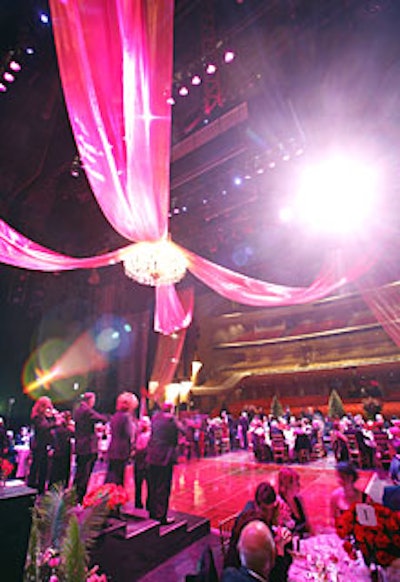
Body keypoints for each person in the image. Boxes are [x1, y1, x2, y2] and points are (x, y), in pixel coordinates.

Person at [224, 482, 292, 582]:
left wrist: (278, 522)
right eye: (264, 510)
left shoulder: (254, 511)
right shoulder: (254, 523)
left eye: (271, 510)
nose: (268, 514)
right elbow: (276, 576)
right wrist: (280, 547)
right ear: (257, 504)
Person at [146, 401, 180, 525]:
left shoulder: (155, 418)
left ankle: (152, 513)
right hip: (165, 456)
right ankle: (161, 516)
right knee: (163, 487)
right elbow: (175, 438)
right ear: (171, 409)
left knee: (153, 486)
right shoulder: (171, 420)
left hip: (152, 455)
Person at [73, 391, 107, 503]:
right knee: (84, 475)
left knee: (79, 473)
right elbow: (101, 418)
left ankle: (73, 497)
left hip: (80, 445)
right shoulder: (86, 410)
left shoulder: (78, 410)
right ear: (90, 400)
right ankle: (79, 499)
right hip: (87, 447)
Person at [105, 391, 138, 486]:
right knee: (118, 477)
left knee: (111, 475)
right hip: (122, 450)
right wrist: (132, 448)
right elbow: (129, 434)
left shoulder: (115, 416)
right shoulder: (126, 417)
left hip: (113, 448)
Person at [27, 396, 58, 494]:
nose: (49, 409)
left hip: (44, 446)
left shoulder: (45, 417)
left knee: (44, 469)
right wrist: (55, 421)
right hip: (39, 446)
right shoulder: (37, 417)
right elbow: (44, 427)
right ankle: (31, 488)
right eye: (47, 406)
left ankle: (41, 489)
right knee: (36, 468)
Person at [330, 462, 367, 526]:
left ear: (351, 477)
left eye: (342, 477)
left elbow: (369, 522)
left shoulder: (365, 498)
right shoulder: (335, 496)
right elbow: (332, 518)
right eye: (338, 477)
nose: (339, 480)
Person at [277, 467, 311, 537]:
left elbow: (308, 526)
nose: (299, 486)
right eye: (296, 483)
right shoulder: (280, 505)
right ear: (287, 486)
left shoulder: (299, 500)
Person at [49, 411, 74, 489]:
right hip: (60, 451)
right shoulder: (63, 429)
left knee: (59, 471)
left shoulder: (65, 428)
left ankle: (57, 487)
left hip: (63, 451)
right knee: (58, 471)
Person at [134, 416, 151, 509]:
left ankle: (149, 504)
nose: (142, 424)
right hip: (139, 462)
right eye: (141, 422)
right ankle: (138, 504)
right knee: (138, 485)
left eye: (145, 422)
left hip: (147, 463)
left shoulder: (150, 435)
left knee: (150, 485)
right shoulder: (138, 434)